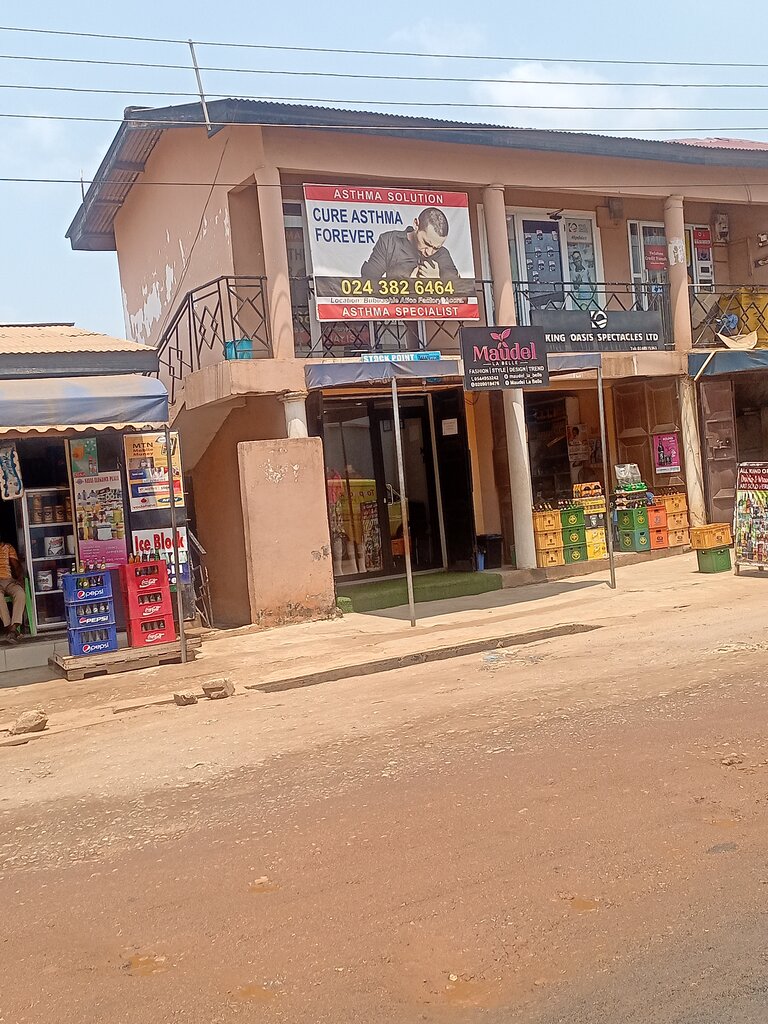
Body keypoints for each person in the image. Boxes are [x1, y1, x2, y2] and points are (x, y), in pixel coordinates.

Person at [360, 207, 459, 281]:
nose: (429, 252)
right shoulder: (389, 242)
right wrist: (405, 286)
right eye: (426, 243)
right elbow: (367, 282)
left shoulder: (443, 254)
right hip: (396, 307)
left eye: (436, 248)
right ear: (416, 225)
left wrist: (437, 281)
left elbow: (462, 296)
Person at [0, 538, 24, 644]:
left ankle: (13, 627)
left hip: (9, 580)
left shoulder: (8, 547)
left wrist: (20, 580)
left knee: (20, 594)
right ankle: (11, 629)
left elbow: (15, 565)